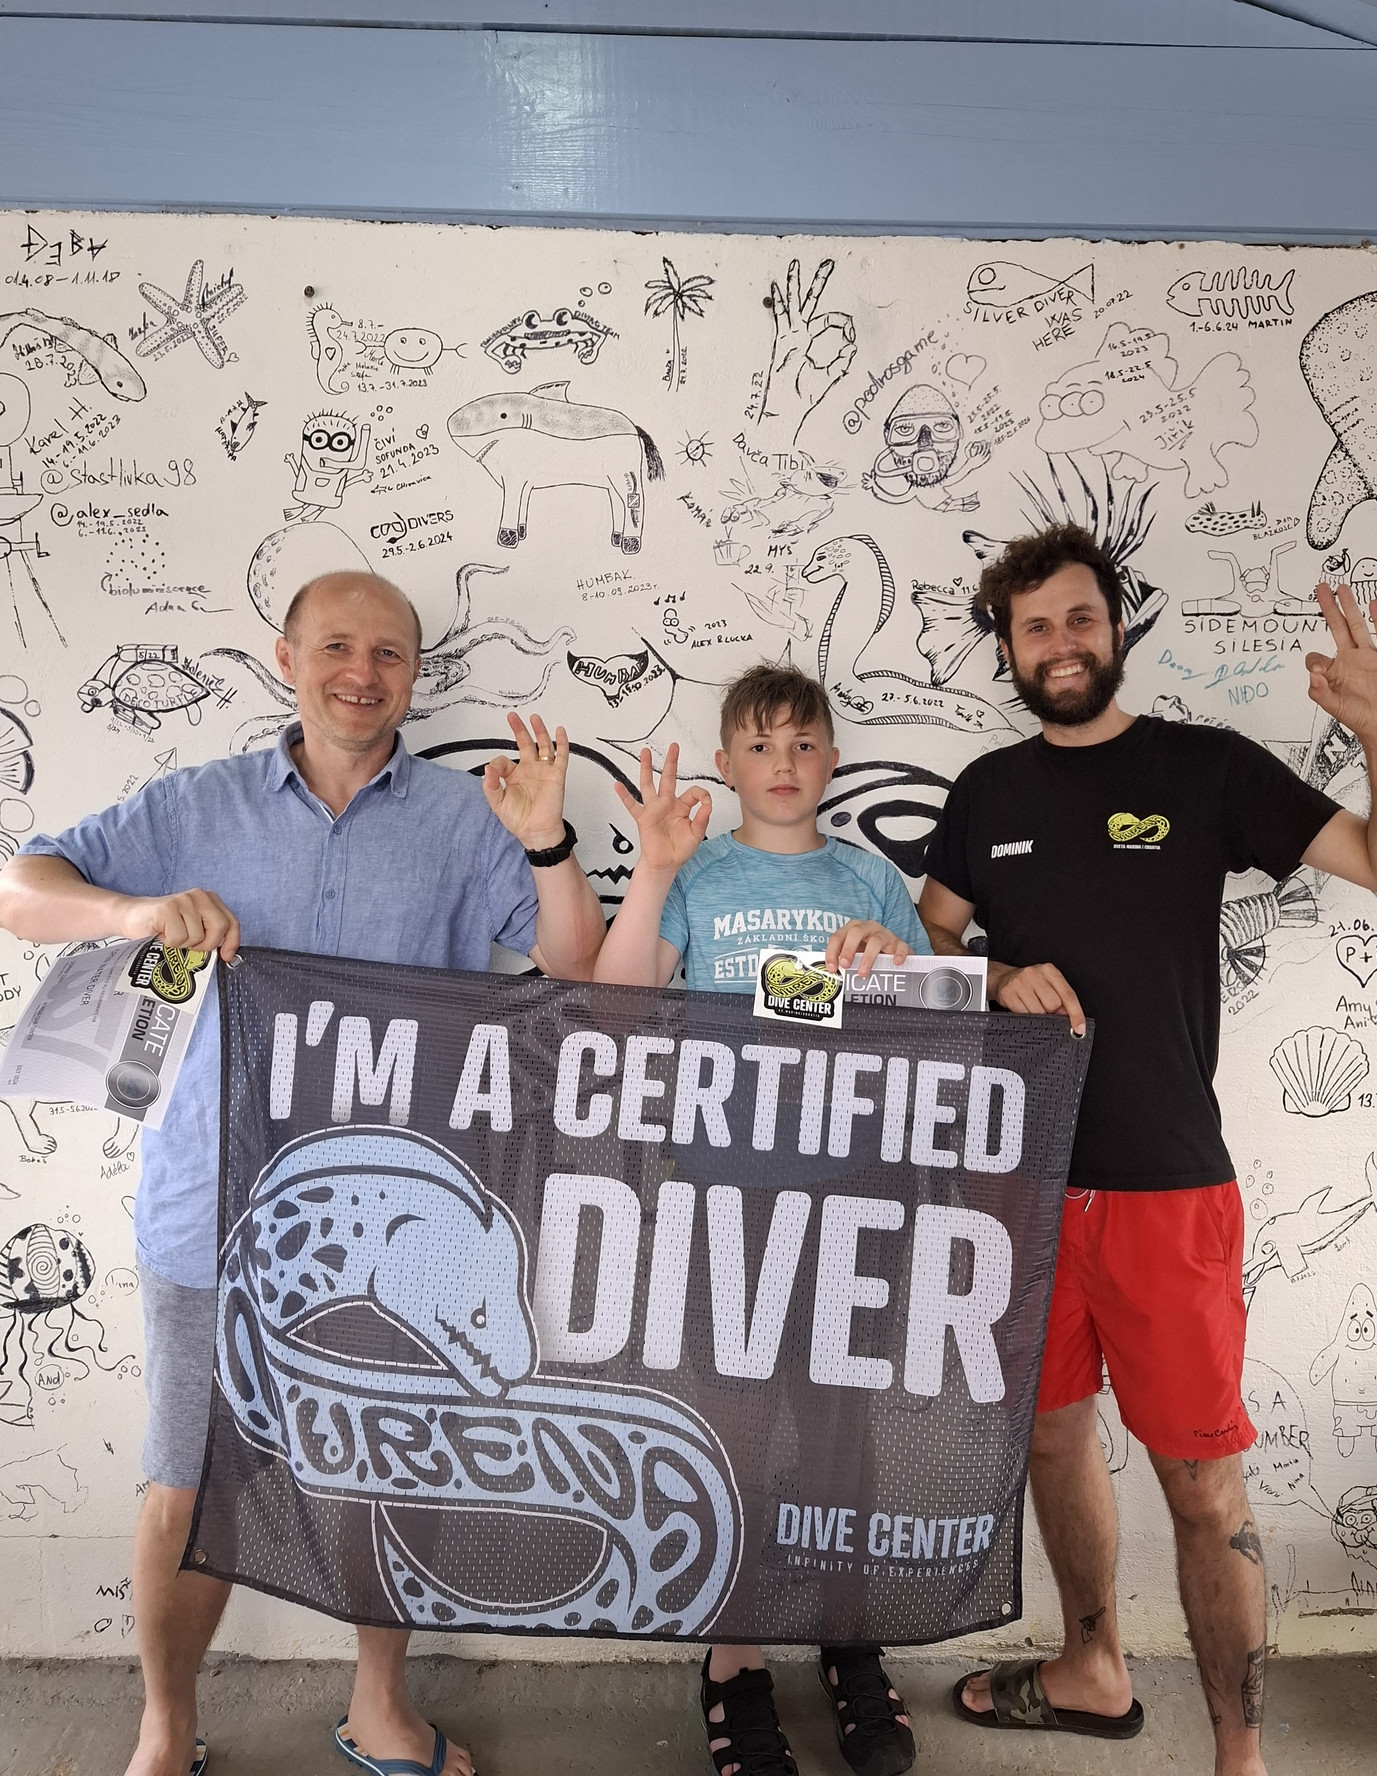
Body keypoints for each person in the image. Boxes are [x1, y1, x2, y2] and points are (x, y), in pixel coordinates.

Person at [0, 570, 606, 1776]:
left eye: (388, 653)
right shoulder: (194, 804)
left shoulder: (464, 816)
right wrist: (132, 914)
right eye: (336, 645)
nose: (360, 672)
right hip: (209, 1210)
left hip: (413, 1221)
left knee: (389, 1471)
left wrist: (545, 835)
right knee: (188, 1485)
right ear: (286, 657)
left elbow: (576, 961)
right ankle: (166, 1727)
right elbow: (22, 889)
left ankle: (379, 1702)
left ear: (414, 674)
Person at [917, 523, 1377, 1776]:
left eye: (1079, 618)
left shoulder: (1205, 769)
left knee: (1203, 1487)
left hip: (1167, 1189)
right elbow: (923, 953)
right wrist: (993, 972)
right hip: (1019, 1183)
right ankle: (1092, 1668)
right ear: (1008, 647)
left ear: (1116, 628)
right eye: (1034, 626)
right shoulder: (985, 790)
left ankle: (1238, 1755)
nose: (1060, 643)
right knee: (1051, 1438)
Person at [592, 661, 929, 1776]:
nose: (783, 763)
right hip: (721, 1194)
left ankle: (847, 1631)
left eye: (803, 742)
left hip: (854, 1195)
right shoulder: (697, 872)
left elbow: (938, 1030)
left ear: (832, 759)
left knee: (842, 1428)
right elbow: (617, 1006)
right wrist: (653, 870)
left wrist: (896, 963)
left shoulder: (872, 877)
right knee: (728, 1425)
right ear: (727, 764)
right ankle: (731, 1656)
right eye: (760, 744)